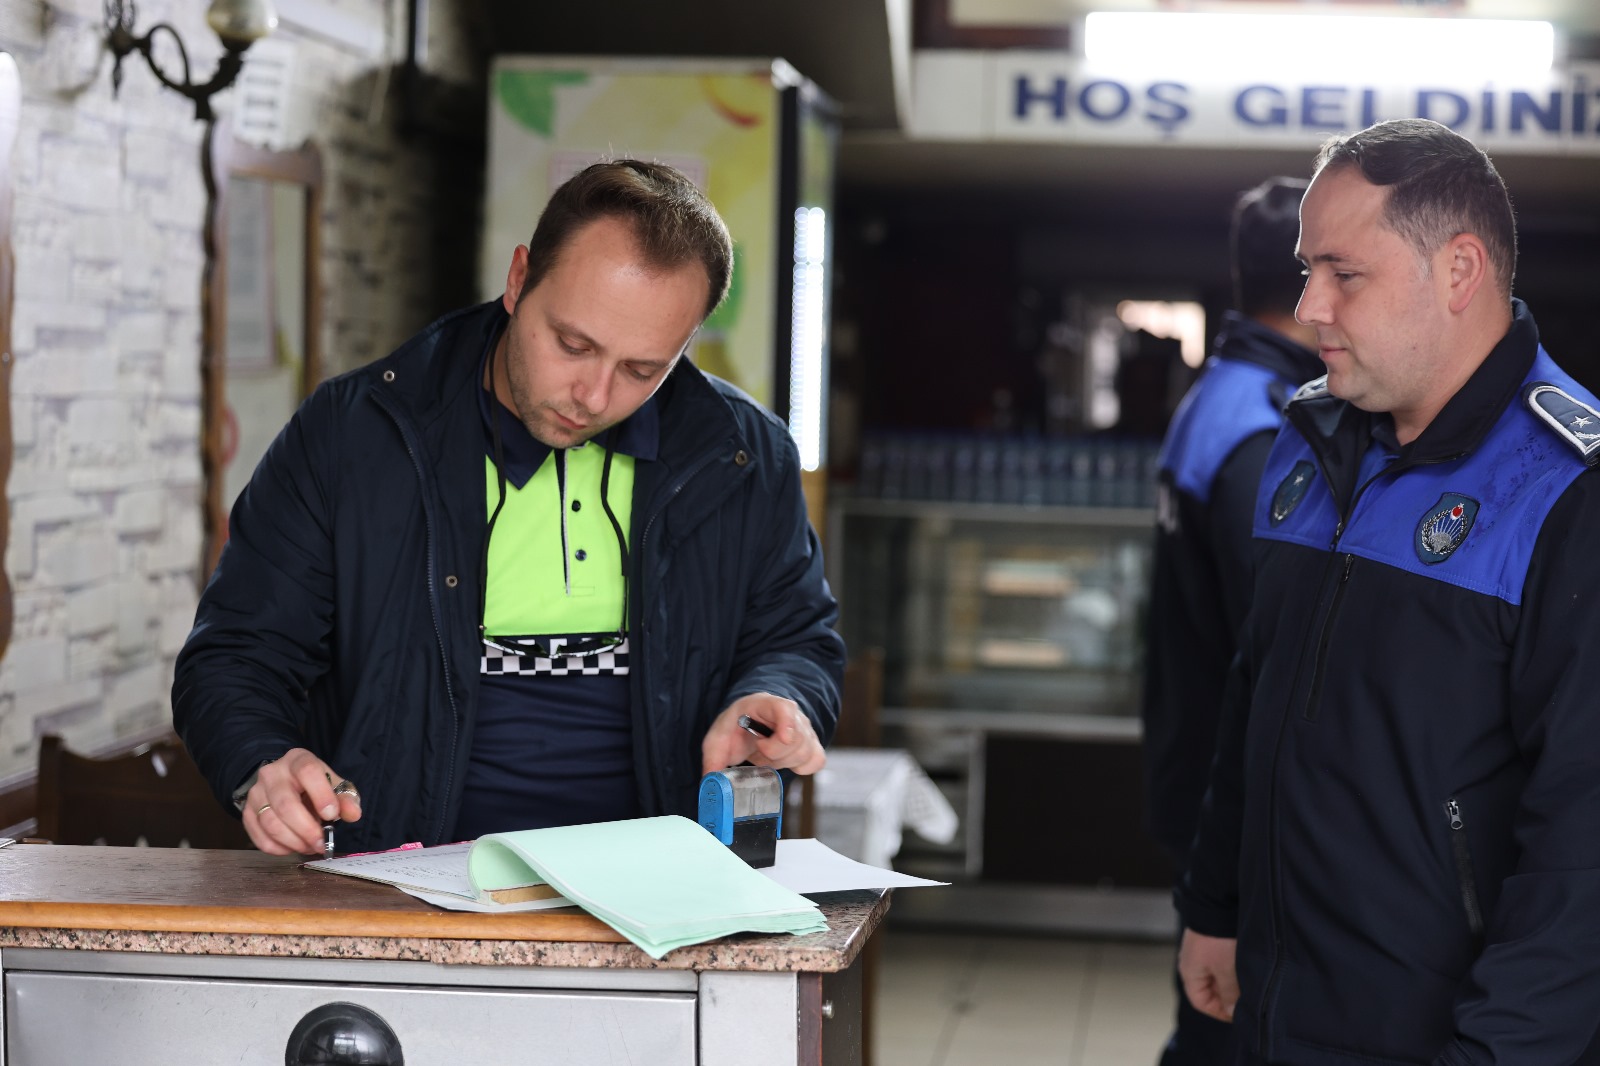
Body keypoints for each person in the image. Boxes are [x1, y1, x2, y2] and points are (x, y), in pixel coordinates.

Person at [173, 160, 844, 856]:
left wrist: (776, 697)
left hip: (659, 882)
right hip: (401, 878)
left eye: (642, 370)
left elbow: (796, 638)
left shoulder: (746, 454)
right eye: (573, 345)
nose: (593, 396)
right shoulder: (353, 434)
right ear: (519, 279)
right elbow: (237, 655)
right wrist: (262, 762)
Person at [1177, 117, 1600, 1065]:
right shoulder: (1312, 437)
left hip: (1444, 1035)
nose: (1309, 308)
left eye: (1345, 274)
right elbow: (1257, 692)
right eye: (1306, 271)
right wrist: (1214, 905)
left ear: (1459, 271)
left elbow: (1583, 853)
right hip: (1277, 1012)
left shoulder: (1568, 491)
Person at [1142, 177, 1321, 1066]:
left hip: (1198, 763)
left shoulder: (1223, 392)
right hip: (1235, 791)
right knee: (1227, 1029)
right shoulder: (1264, 427)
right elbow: (1276, 639)